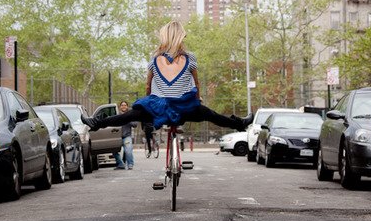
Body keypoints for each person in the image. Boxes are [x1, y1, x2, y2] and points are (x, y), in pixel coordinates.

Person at [81, 21, 253, 134]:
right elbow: (196, 84)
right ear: (181, 37)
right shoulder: (190, 57)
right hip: (184, 107)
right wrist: (197, 99)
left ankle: (96, 122)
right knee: (210, 114)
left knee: (130, 115)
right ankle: (240, 123)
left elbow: (148, 87)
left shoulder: (154, 59)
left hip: (158, 107)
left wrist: (149, 104)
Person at [117, 100, 136, 170]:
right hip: (117, 137)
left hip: (126, 137)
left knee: (128, 150)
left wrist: (127, 119)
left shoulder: (131, 115)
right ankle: (120, 163)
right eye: (122, 105)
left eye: (125, 105)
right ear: (120, 107)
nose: (123, 106)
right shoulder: (117, 115)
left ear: (127, 107)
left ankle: (130, 164)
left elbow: (135, 124)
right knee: (113, 150)